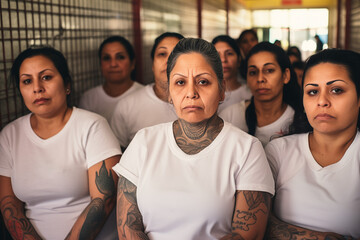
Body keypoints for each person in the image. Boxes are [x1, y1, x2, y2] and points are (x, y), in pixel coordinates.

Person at [113, 38, 274, 240]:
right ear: (169, 92)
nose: (191, 93)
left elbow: (245, 235)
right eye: (180, 82)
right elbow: (128, 227)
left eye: (203, 81)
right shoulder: (144, 142)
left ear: (222, 89)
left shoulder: (246, 149)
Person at [0, 46, 121, 240]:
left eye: (46, 77)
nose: (37, 88)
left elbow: (104, 200)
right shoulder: (9, 135)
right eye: (27, 81)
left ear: (67, 84)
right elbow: (9, 206)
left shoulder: (92, 126)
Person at [265, 49, 360, 239]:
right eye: (313, 91)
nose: (322, 101)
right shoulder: (279, 151)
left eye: (337, 90)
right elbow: (255, 223)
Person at [219, 42, 302, 146]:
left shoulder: (298, 120)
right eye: (253, 72)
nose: (260, 79)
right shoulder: (229, 117)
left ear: (285, 76)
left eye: (269, 70)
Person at [110, 32, 183, 149]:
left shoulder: (201, 104)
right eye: (162, 54)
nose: (169, 60)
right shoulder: (128, 106)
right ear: (153, 64)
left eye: (176, 54)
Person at [79, 35, 143, 122]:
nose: (113, 64)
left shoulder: (144, 95)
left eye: (120, 57)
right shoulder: (89, 99)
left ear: (132, 63)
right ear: (100, 64)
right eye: (107, 58)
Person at [211, 35, 252, 112]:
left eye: (229, 53)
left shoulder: (250, 95)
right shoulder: (204, 95)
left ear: (239, 59)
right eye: (217, 55)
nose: (223, 59)